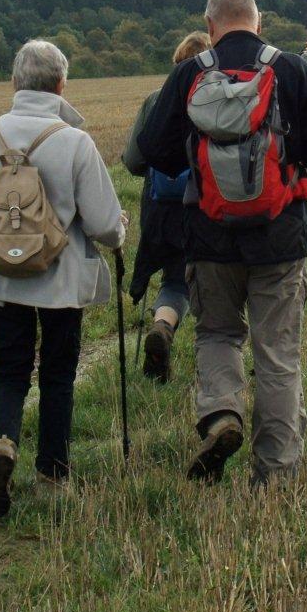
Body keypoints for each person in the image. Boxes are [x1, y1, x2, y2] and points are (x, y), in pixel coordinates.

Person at [138, 0, 307, 487]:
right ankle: (274, 476)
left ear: (210, 26)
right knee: (276, 353)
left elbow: (154, 151)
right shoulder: (290, 68)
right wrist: (291, 155)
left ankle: (222, 415)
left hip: (209, 236)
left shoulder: (191, 72)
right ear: (258, 22)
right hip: (280, 236)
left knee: (216, 333)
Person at [0, 40, 128, 517]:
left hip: (0, 280)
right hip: (61, 284)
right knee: (58, 376)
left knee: (9, 373)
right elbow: (103, 225)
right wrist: (121, 230)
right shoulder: (75, 141)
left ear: (14, 82)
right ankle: (53, 473)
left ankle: (2, 442)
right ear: (61, 85)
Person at [121, 31, 211, 382]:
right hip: (200, 206)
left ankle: (162, 325)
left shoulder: (155, 100)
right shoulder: (216, 100)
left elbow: (133, 160)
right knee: (201, 278)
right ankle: (202, 346)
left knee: (173, 276)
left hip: (158, 207)